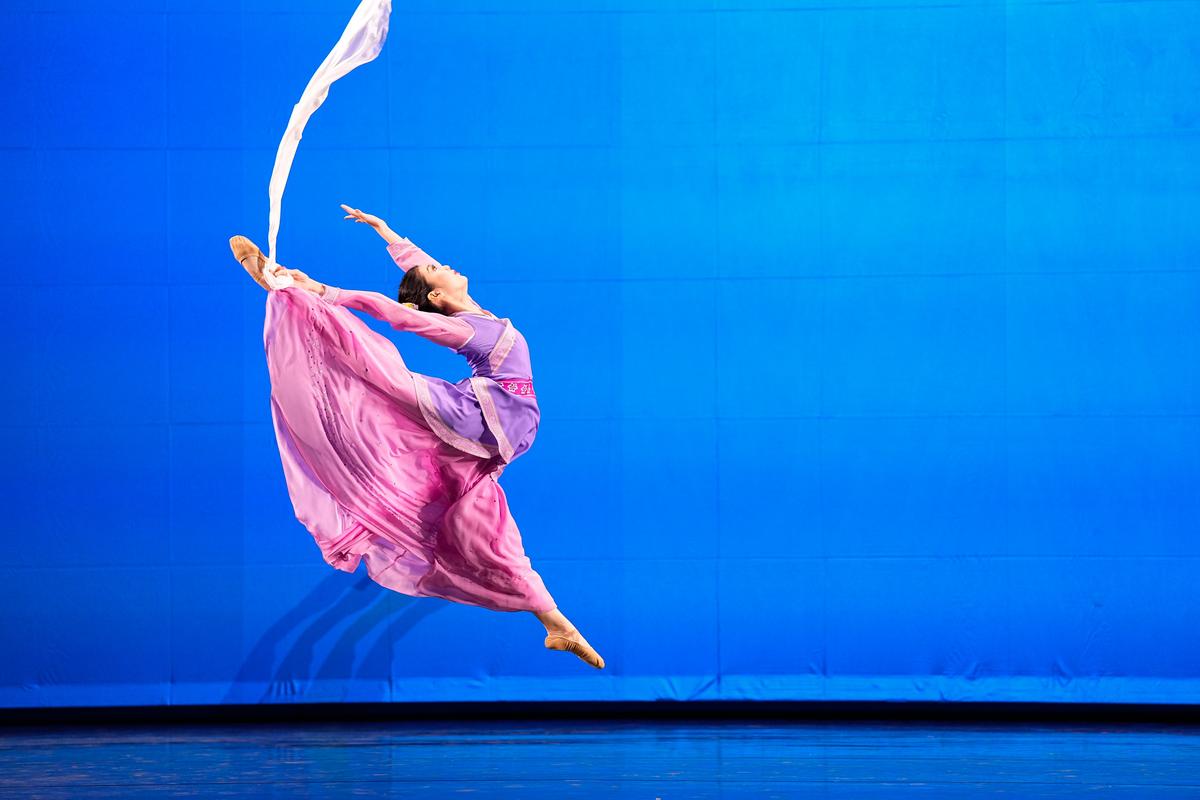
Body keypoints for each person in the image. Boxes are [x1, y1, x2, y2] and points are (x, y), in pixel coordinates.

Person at [228, 204, 604, 669]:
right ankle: (293, 295)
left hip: (500, 425)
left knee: (485, 524)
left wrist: (387, 233)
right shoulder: (462, 328)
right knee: (381, 374)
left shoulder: (476, 313)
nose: (444, 264)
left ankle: (556, 625)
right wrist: (325, 290)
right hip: (481, 416)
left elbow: (421, 274)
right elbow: (400, 313)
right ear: (438, 297)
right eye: (437, 270)